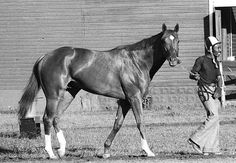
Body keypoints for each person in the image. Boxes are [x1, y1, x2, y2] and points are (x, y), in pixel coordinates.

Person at [188, 36, 223, 155]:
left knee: (215, 118)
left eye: (219, 47)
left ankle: (211, 148)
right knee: (213, 115)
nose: (219, 50)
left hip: (214, 92)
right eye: (217, 47)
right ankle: (195, 139)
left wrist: (219, 88)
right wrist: (194, 76)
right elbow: (192, 74)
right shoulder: (201, 60)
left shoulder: (216, 62)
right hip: (204, 91)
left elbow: (219, 78)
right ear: (209, 48)